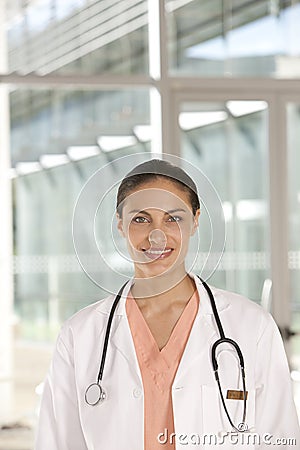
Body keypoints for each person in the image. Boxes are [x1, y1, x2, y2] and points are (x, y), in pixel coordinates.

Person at [35, 159, 300, 449]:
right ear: (120, 224)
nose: (157, 235)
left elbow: (280, 438)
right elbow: (57, 441)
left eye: (173, 218)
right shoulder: (79, 335)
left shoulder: (251, 326)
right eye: (141, 218)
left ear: (195, 221)